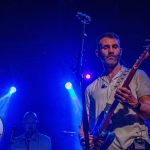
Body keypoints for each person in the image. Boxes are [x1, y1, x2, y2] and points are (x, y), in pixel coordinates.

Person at [79, 32, 150, 149]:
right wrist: (84, 139)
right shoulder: (91, 88)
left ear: (120, 51)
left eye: (115, 46)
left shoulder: (138, 75)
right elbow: (84, 127)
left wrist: (135, 103)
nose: (111, 51)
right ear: (97, 53)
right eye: (106, 47)